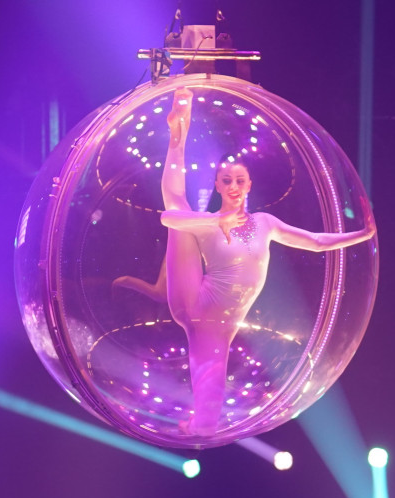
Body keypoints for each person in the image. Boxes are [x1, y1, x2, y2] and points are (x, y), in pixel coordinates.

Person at [116, 89, 375, 434]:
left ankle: (194, 426)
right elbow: (168, 218)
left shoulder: (266, 223)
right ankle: (178, 131)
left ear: (249, 184)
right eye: (226, 181)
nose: (234, 186)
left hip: (223, 319)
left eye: (240, 180)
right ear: (217, 186)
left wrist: (362, 235)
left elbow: (315, 242)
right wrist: (216, 222)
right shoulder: (208, 223)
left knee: (207, 413)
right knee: (177, 203)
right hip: (197, 306)